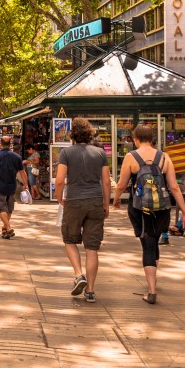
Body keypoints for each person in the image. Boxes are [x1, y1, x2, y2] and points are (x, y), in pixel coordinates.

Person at [113, 125, 185, 304]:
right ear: (152, 139)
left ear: (136, 139)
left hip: (139, 208)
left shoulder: (131, 157)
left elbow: (121, 184)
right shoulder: (164, 157)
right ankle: (153, 278)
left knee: (147, 243)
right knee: (154, 240)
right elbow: (174, 187)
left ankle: (152, 290)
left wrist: (115, 200)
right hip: (162, 208)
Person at [54, 119, 110, 302]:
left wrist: (60, 197)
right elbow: (107, 181)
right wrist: (106, 204)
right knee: (92, 248)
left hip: (74, 201)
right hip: (95, 201)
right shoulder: (100, 153)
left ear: (72, 135)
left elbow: (60, 179)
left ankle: (79, 275)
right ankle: (91, 291)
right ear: (89, 134)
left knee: (69, 240)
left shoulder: (66, 153)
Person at [0, 135, 28, 240]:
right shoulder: (16, 157)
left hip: (0, 186)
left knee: (1, 208)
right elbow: (22, 172)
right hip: (12, 186)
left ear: (1, 144)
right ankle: (5, 229)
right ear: (10, 144)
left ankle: (7, 227)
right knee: (9, 208)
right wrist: (25, 184)